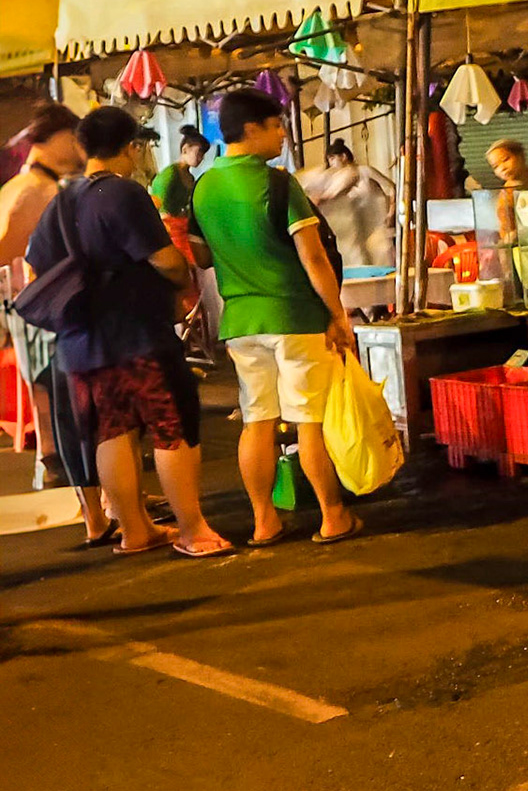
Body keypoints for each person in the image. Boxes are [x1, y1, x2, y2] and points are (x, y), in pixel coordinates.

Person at [25, 108, 230, 558]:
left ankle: (134, 531)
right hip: (136, 335)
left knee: (112, 432)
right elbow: (166, 260)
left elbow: (35, 262)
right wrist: (178, 282)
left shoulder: (61, 200)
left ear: (82, 147)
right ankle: (193, 531)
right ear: (132, 148)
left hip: (83, 342)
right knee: (170, 426)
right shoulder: (123, 193)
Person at [187, 88, 360, 547]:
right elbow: (314, 258)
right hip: (296, 317)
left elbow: (202, 256)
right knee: (309, 421)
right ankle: (332, 516)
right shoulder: (278, 183)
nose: (283, 134)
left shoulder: (203, 186)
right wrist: (338, 315)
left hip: (241, 322)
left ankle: (265, 521)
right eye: (276, 125)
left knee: (257, 421)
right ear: (251, 130)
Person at [0, 102, 109, 542]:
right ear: (53, 139)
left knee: (53, 402)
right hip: (43, 310)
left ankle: (63, 476)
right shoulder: (33, 191)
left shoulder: (20, 185)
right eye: (73, 137)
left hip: (28, 310)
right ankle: (89, 497)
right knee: (65, 405)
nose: (79, 146)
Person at [303, 141, 395, 269]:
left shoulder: (364, 171)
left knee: (382, 259)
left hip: (379, 227)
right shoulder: (335, 178)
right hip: (362, 233)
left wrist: (391, 212)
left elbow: (391, 189)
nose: (331, 164)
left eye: (333, 159)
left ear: (344, 156)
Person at [149, 126, 210, 254]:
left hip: (185, 230)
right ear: (185, 150)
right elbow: (159, 208)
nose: (201, 158)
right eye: (198, 153)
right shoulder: (169, 175)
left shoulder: (191, 178)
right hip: (171, 232)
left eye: (203, 155)